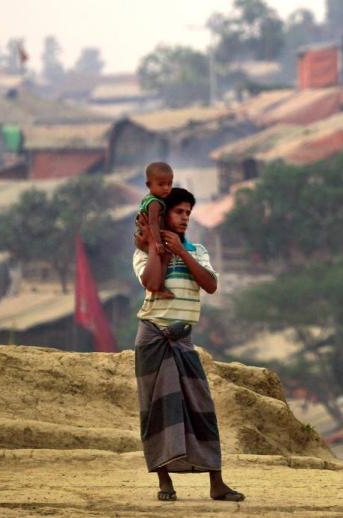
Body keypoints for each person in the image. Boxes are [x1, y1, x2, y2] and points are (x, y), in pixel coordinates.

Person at [132, 187, 245, 503]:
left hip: (182, 339)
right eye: (179, 212)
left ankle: (217, 483)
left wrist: (181, 252)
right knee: (156, 411)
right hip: (153, 338)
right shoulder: (143, 251)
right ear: (164, 214)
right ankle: (165, 482)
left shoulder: (198, 250)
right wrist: (159, 248)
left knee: (201, 409)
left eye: (188, 214)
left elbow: (210, 285)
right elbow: (152, 283)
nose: (184, 218)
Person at [136, 162, 175, 300]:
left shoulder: (151, 198)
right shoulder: (155, 202)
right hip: (149, 236)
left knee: (165, 257)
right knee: (162, 256)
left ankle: (159, 286)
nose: (166, 188)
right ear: (149, 185)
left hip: (146, 235)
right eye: (161, 184)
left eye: (169, 184)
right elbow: (153, 222)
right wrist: (158, 242)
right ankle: (158, 288)